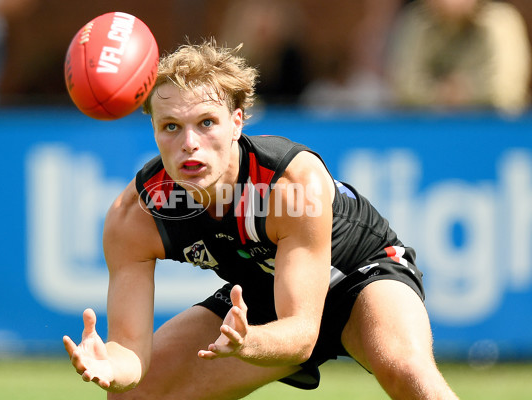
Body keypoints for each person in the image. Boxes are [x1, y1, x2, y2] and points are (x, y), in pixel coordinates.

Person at [63, 40, 459, 400]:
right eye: (171, 126)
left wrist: (247, 341)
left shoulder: (290, 184)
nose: (189, 143)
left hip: (359, 273)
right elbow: (130, 350)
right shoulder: (136, 215)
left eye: (206, 122)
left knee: (407, 372)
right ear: (153, 131)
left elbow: (302, 333)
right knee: (133, 397)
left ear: (236, 123)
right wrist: (112, 366)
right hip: (263, 291)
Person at [386, 0, 531, 114]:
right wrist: (441, 94)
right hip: (430, 129)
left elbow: (506, 90)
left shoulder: (500, 21)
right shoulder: (417, 21)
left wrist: (466, 94)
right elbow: (404, 85)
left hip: (496, 129)